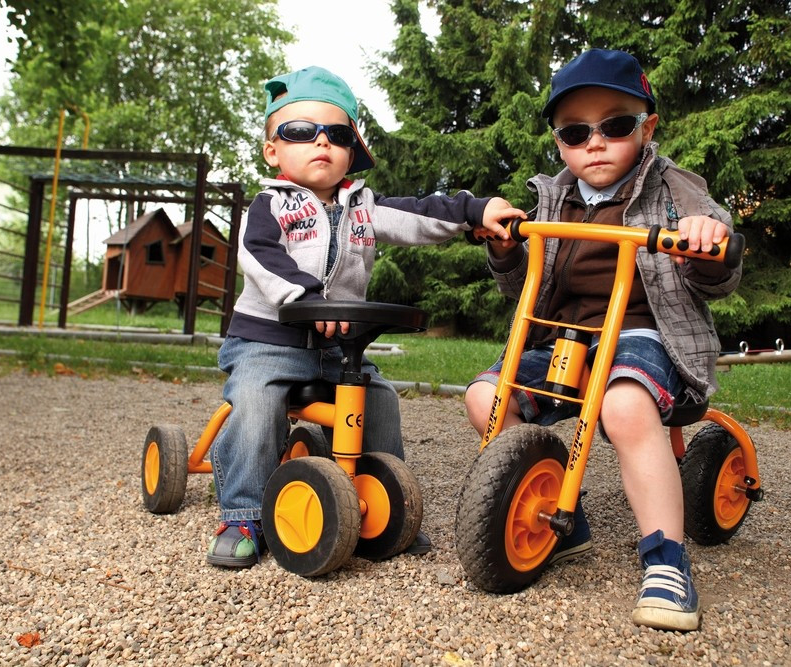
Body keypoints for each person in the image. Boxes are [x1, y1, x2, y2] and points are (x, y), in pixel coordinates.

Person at [464, 49, 741, 631]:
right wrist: (503, 248)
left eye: (614, 126)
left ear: (647, 127)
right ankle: (562, 515)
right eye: (575, 131)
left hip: (645, 335)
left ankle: (666, 559)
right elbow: (522, 288)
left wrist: (705, 237)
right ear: (559, 141)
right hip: (567, 339)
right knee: (485, 398)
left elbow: (719, 268)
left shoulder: (674, 188)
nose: (595, 143)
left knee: (625, 405)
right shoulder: (551, 196)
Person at [207, 65, 525, 570]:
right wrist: (308, 298)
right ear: (273, 150)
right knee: (254, 401)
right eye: (300, 131)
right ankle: (243, 512)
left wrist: (475, 212)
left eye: (337, 134)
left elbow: (422, 213)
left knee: (378, 402)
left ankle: (386, 500)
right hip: (268, 340)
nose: (321, 143)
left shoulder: (363, 208)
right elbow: (261, 256)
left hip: (337, 348)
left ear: (351, 150)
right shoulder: (271, 206)